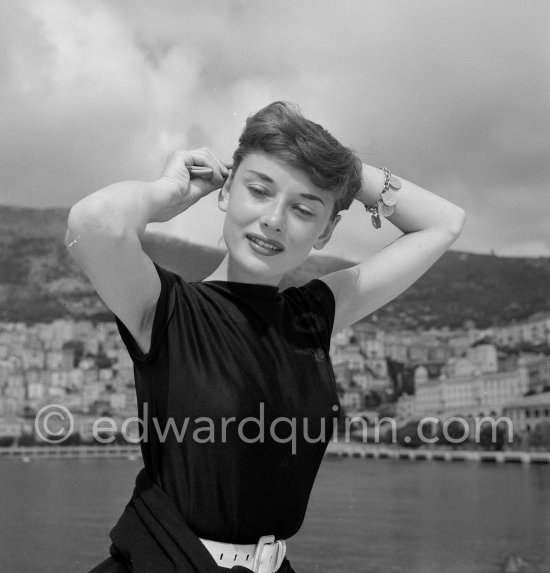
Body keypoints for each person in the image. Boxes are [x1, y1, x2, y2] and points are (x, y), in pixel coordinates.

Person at [66, 101, 465, 573]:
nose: (275, 219)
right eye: (259, 190)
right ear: (227, 191)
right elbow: (94, 223)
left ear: (325, 232)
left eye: (303, 208)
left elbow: (443, 223)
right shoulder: (169, 311)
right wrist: (170, 190)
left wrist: (343, 174)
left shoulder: (312, 317)